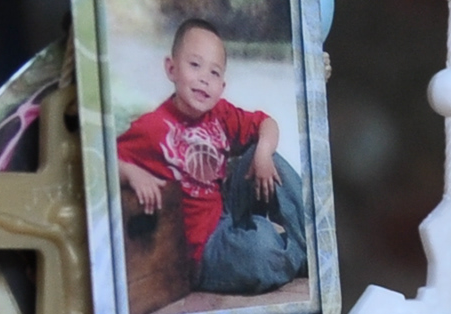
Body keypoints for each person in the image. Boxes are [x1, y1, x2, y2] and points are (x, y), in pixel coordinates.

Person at [115, 17, 307, 298]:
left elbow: (267, 124)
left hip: (226, 210)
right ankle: (283, 253)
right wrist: (131, 172)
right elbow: (101, 161)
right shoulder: (152, 127)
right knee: (261, 247)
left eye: (214, 73)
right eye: (194, 65)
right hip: (203, 250)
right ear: (171, 68)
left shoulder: (220, 113)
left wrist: (263, 154)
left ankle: (312, 249)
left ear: (222, 85)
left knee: (266, 157)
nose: (205, 77)